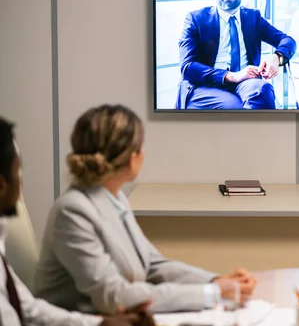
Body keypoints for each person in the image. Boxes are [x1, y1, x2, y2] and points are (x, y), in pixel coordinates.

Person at [33, 104, 257, 314]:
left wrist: (215, 281)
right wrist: (213, 294)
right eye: (141, 146)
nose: (144, 153)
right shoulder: (73, 211)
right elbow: (115, 297)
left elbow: (152, 265)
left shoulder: (115, 196)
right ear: (131, 158)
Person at [0, 116, 154, 325]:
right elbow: (111, 292)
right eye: (18, 170)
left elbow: (27, 310)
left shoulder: (117, 199)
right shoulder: (73, 209)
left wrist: (100, 324)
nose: (22, 180)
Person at [175, 0, 297, 110]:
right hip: (206, 84)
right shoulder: (196, 19)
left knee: (263, 90)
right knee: (234, 107)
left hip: (247, 82)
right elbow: (188, 67)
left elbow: (287, 40)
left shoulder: (253, 17)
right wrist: (231, 76)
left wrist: (276, 57)